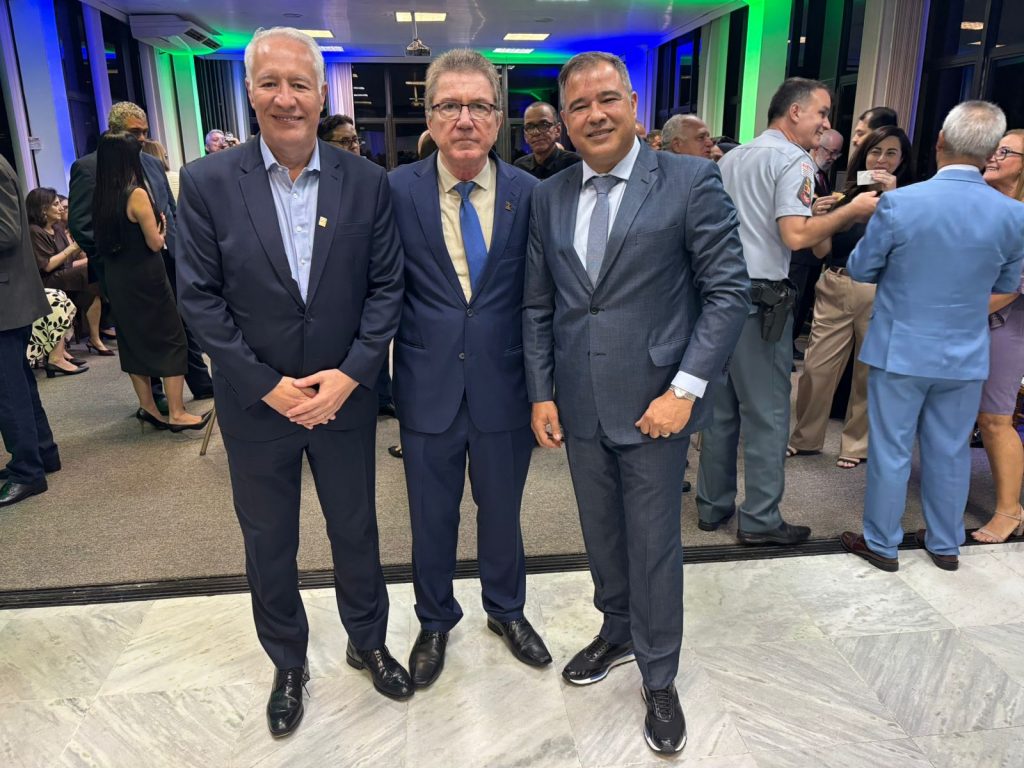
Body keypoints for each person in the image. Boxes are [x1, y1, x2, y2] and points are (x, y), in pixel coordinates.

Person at [176, 27, 408, 738]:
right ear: (250, 92)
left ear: (319, 94)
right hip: (257, 406)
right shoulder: (207, 182)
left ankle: (368, 640)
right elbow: (199, 299)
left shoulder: (365, 181)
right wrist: (264, 384)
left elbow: (387, 289)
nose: (286, 98)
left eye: (299, 84)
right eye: (271, 83)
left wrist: (351, 375)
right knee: (269, 540)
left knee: (356, 528)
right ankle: (287, 661)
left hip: (344, 400)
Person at [524, 51, 750, 754]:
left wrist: (684, 389)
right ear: (565, 122)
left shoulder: (689, 180)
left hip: (656, 404)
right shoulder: (549, 197)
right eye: (579, 106)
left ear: (633, 106)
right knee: (602, 535)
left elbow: (728, 293)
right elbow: (540, 305)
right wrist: (541, 393)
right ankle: (617, 629)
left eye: (607, 99)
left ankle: (659, 675)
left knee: (653, 545)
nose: (594, 114)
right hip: (579, 403)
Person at [388, 49, 550, 690]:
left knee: (501, 510)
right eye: (449, 105)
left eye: (479, 106)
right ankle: (434, 620)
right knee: (431, 516)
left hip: (505, 386)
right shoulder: (394, 190)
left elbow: (542, 297)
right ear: (430, 116)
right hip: (426, 385)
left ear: (498, 118)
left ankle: (506, 609)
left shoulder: (530, 194)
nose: (464, 119)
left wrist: (546, 389)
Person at [841, 101, 1024, 573]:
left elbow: (860, 268)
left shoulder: (901, 203)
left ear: (940, 141)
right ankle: (945, 542)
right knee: (950, 449)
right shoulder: (1014, 215)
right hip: (965, 351)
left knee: (891, 448)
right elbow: (1007, 283)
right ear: (990, 152)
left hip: (899, 347)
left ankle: (882, 543)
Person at [695, 77, 879, 545]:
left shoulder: (733, 158)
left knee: (720, 411)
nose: (826, 123)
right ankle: (760, 519)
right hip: (760, 302)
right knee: (769, 414)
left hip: (718, 296)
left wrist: (817, 211)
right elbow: (795, 236)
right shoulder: (795, 160)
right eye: (822, 112)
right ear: (795, 112)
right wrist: (851, 211)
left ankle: (712, 506)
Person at [69, 101, 214, 404]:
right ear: (114, 131)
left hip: (166, 260)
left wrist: (180, 250)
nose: (143, 138)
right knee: (142, 334)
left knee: (182, 324)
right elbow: (82, 226)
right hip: (127, 269)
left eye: (145, 131)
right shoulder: (88, 168)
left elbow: (170, 210)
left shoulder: (150, 162)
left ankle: (201, 382)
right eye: (135, 132)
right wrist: (120, 254)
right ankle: (155, 400)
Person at [789, 126, 913, 468]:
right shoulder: (845, 198)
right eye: (875, 151)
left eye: (891, 153)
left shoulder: (908, 201)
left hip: (881, 290)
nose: (882, 160)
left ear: (902, 160)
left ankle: (857, 445)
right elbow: (821, 252)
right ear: (864, 156)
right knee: (816, 368)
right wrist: (818, 218)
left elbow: (907, 248)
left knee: (868, 372)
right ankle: (805, 437)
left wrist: (892, 198)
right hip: (835, 283)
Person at [93, 132, 209, 433]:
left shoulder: (101, 196)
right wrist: (162, 228)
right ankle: (177, 412)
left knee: (133, 343)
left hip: (118, 278)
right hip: (146, 277)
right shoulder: (136, 194)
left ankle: (148, 407)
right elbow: (155, 242)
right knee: (172, 339)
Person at [972, 129, 1024, 543]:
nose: (994, 155)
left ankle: (1010, 509)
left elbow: (1012, 287)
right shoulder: (979, 203)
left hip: (1006, 323)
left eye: (1005, 152)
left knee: (995, 418)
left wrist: (954, 313)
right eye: (994, 148)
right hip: (969, 319)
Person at [0, 155, 59, 508]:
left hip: (6, 299)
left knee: (9, 391)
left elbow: (6, 232)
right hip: (10, 296)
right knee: (18, 383)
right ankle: (42, 454)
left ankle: (27, 472)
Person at [25, 187, 107, 368]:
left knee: (92, 278)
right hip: (47, 279)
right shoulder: (34, 231)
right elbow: (47, 265)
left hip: (64, 274)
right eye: (56, 204)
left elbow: (69, 260)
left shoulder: (58, 228)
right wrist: (73, 248)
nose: (61, 208)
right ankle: (66, 348)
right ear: (43, 209)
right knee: (90, 273)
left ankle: (94, 337)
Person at [789, 128, 844, 360]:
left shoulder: (822, 176)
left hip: (815, 253)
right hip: (799, 252)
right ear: (817, 147)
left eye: (836, 153)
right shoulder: (802, 172)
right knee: (793, 302)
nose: (831, 157)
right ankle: (784, 348)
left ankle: (790, 344)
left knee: (803, 303)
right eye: (828, 151)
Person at [514, 101, 581, 180]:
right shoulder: (520, 167)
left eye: (543, 125)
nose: (536, 132)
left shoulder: (574, 164)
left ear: (557, 130)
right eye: (530, 127)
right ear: (525, 135)